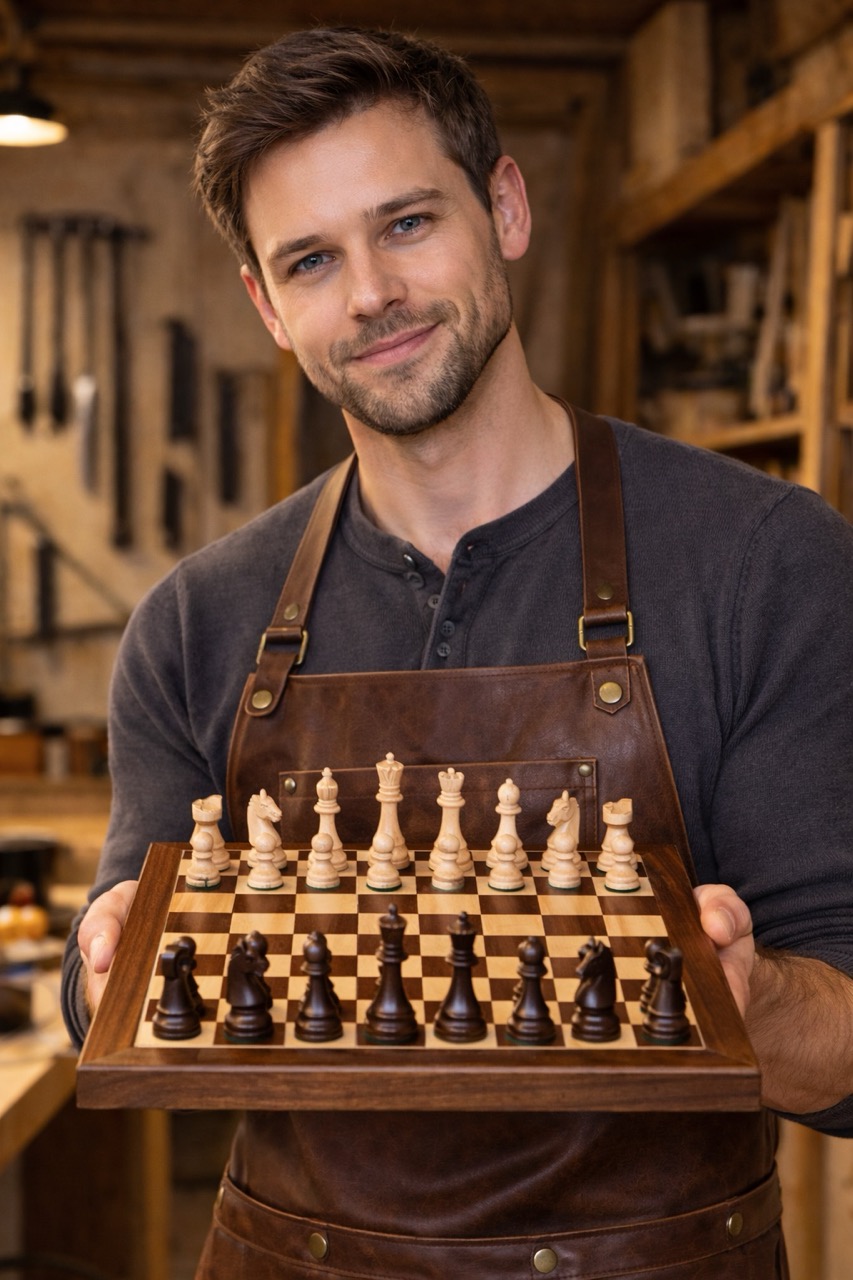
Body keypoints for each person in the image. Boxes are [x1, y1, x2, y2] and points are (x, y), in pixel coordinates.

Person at [62, 26, 853, 1280]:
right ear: (268, 306)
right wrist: (111, 957)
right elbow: (109, 991)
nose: (369, 292)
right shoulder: (197, 620)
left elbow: (850, 1051)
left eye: (408, 224)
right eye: (311, 259)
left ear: (505, 208)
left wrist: (741, 998)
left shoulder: (764, 560)